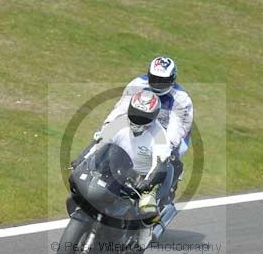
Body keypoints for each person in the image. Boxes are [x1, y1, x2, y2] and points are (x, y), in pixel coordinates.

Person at [101, 56, 193, 192]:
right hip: (140, 121)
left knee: (169, 155)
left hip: (167, 131)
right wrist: (107, 126)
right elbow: (120, 109)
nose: (157, 84)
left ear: (172, 80)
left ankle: (165, 187)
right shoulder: (137, 84)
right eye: (154, 78)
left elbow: (178, 128)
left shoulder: (181, 98)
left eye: (162, 81)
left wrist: (166, 146)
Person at [80, 90, 173, 215]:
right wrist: (82, 160)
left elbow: (159, 165)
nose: (138, 118)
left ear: (154, 116)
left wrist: (147, 182)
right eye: (135, 112)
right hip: (117, 168)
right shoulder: (119, 123)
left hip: (142, 177)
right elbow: (99, 144)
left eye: (144, 116)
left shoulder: (160, 136)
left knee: (146, 208)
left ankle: (145, 232)